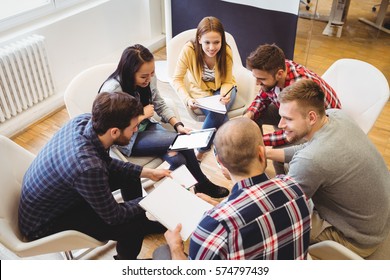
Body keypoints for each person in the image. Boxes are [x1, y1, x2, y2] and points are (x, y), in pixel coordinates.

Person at [19, 92, 170, 260]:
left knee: (129, 177)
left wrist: (147, 173)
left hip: (52, 197)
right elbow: (115, 216)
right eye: (133, 128)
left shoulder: (84, 121)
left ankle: (142, 220)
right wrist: (153, 200)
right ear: (114, 132)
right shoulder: (89, 168)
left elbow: (106, 162)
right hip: (46, 222)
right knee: (132, 225)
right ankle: (125, 261)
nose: (136, 130)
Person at [155, 118, 311, 260]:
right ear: (262, 153)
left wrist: (176, 248)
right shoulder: (294, 188)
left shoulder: (213, 227)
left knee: (162, 252)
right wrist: (217, 206)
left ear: (220, 162)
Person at [267, 79, 390, 258]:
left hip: (359, 239)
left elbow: (284, 207)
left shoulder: (311, 160)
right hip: (379, 216)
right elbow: (308, 149)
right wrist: (268, 153)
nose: (280, 125)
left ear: (311, 117)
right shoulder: (337, 116)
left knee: (279, 223)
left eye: (288, 119)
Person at [99, 44, 229, 198]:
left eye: (152, 73)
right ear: (129, 72)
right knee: (183, 143)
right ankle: (201, 185)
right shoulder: (113, 89)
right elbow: (111, 129)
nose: (149, 79)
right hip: (128, 139)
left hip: (149, 129)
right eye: (143, 76)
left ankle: (186, 193)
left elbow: (159, 103)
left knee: (179, 158)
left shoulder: (149, 79)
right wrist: (141, 115)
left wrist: (178, 125)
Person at [243, 43, 341, 173]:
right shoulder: (277, 68)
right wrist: (247, 117)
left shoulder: (298, 87)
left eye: (261, 79)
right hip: (296, 114)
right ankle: (258, 159)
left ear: (279, 74)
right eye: (256, 78)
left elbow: (295, 129)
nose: (257, 83)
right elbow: (263, 97)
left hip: (318, 126)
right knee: (250, 115)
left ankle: (284, 185)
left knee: (278, 152)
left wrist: (259, 142)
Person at [172, 16, 237, 161]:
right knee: (219, 116)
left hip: (224, 89)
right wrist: (187, 98)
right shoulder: (189, 50)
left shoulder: (226, 51)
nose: (212, 47)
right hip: (201, 92)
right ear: (199, 38)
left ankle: (200, 151)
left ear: (222, 40)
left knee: (217, 112)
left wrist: (224, 94)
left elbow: (227, 80)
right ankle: (231, 154)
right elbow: (176, 79)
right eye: (207, 42)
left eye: (216, 42)